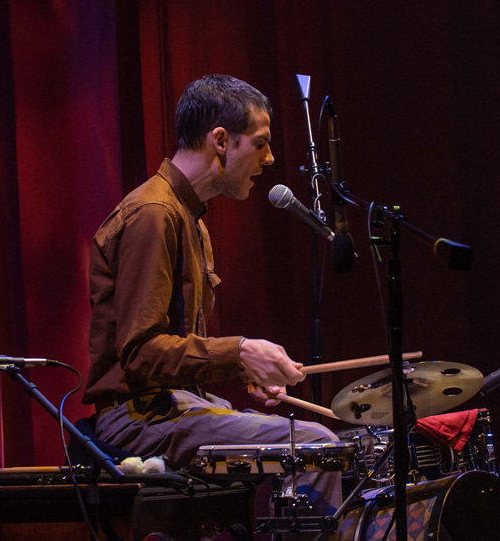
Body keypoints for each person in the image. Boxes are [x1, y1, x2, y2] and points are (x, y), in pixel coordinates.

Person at [82, 74, 341, 514]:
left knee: (335, 442)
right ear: (221, 140)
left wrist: (243, 369)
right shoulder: (154, 214)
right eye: (260, 143)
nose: (270, 158)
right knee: (316, 446)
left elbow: (177, 350)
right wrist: (238, 352)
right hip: (135, 420)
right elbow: (140, 353)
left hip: (173, 408)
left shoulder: (192, 221)